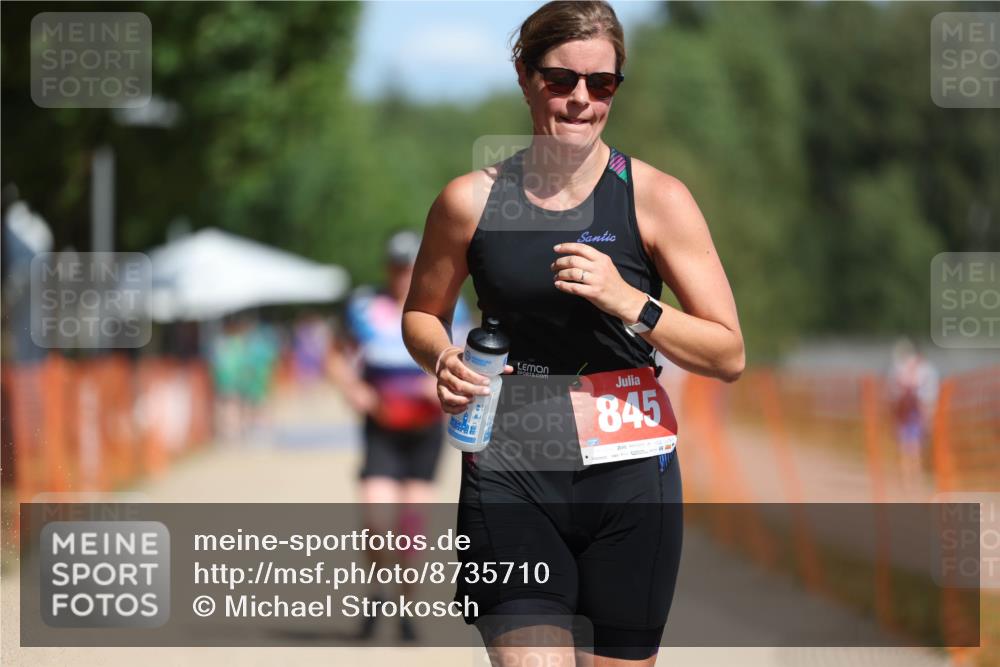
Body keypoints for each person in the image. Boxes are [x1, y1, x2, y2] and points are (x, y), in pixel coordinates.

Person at [401, 2, 744, 664]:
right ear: (526, 76)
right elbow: (421, 312)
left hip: (631, 480)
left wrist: (630, 300)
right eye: (561, 80)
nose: (581, 100)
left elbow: (728, 351)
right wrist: (441, 355)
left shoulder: (655, 198)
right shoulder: (468, 202)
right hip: (510, 470)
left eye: (603, 83)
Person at [327, 229, 470, 641]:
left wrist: (448, 380)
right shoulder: (362, 306)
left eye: (409, 268)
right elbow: (335, 356)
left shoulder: (452, 308)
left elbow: (470, 359)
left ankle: (407, 607)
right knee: (375, 521)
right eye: (396, 268)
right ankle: (376, 595)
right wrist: (352, 389)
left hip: (425, 430)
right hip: (381, 428)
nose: (402, 276)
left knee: (411, 529)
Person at [888, 338, 939, 497]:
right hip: (914, 413)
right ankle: (913, 483)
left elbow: (893, 393)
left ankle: (909, 483)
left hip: (907, 413)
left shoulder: (900, 369)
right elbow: (928, 394)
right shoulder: (925, 369)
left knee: (908, 448)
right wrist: (929, 415)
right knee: (913, 448)